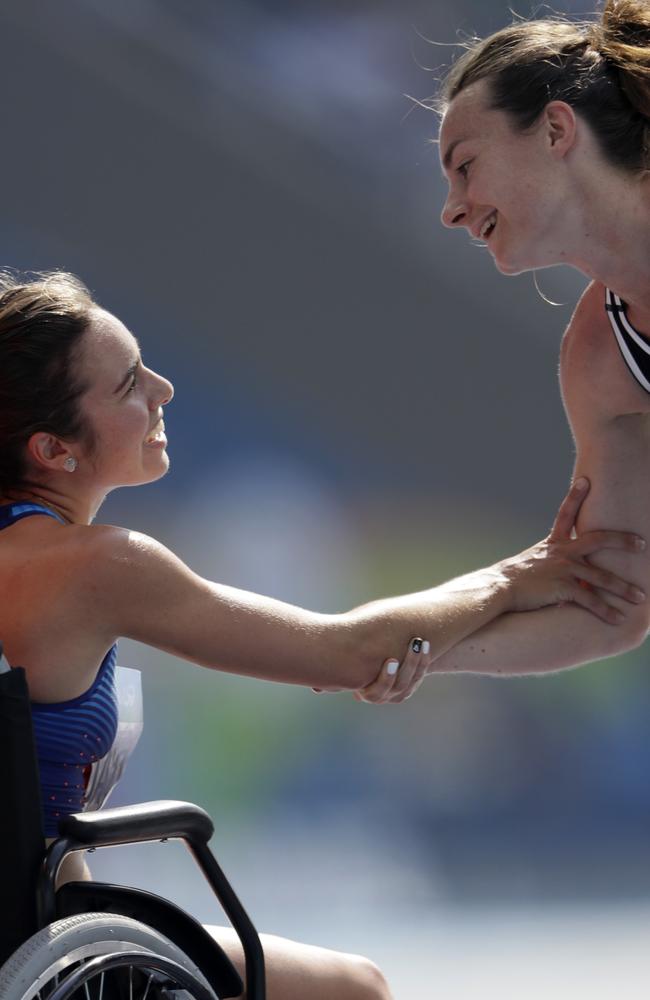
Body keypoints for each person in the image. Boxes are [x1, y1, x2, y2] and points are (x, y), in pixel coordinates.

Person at [0, 263, 642, 1000]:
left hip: (45, 925)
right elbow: (345, 654)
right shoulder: (99, 567)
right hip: (34, 936)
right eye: (129, 384)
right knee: (355, 989)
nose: (163, 391)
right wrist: (514, 577)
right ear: (53, 450)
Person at [366, 0, 650, 689]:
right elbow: (609, 605)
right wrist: (405, 653)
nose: (452, 208)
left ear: (556, 129)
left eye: (464, 166)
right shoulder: (601, 358)